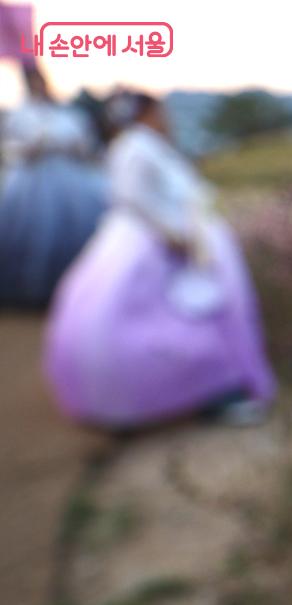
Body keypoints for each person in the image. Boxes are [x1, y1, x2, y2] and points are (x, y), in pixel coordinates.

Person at [43, 91, 275, 428]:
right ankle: (208, 391)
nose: (166, 119)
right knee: (186, 313)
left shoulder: (140, 144)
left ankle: (217, 388)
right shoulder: (136, 146)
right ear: (146, 113)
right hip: (155, 246)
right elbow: (133, 197)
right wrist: (175, 235)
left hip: (162, 240)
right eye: (160, 111)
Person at [0, 60, 107, 307]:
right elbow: (14, 147)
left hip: (66, 180)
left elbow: (85, 147)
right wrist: (38, 145)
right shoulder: (21, 114)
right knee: (32, 235)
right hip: (33, 182)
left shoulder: (66, 114)